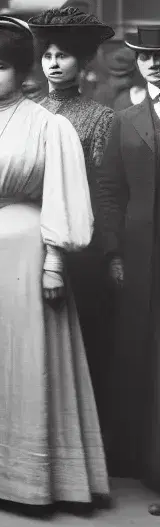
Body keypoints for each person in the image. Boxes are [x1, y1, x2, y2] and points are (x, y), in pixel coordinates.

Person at [0, 14, 107, 506]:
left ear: (21, 70)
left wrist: (54, 262)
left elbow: (61, 195)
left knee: (26, 356)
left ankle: (28, 479)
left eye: (1, 67)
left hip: (27, 246)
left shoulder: (49, 126)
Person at [27, 7, 119, 437]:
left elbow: (101, 189)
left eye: (63, 56)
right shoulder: (29, 111)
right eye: (48, 55)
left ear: (82, 64)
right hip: (29, 236)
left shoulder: (100, 118)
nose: (53, 63)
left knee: (81, 338)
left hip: (78, 243)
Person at [104, 24, 160, 490]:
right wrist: (114, 252)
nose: (154, 63)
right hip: (140, 251)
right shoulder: (124, 119)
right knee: (139, 351)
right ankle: (142, 460)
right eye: (145, 56)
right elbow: (110, 192)